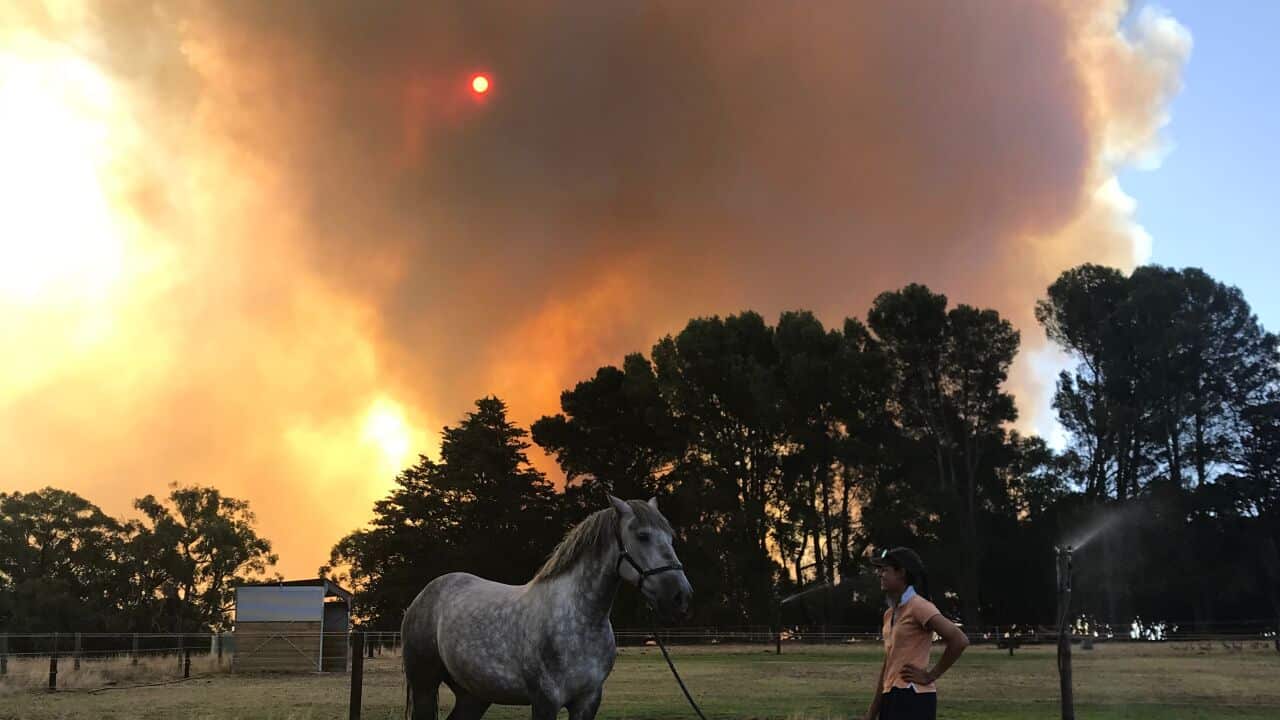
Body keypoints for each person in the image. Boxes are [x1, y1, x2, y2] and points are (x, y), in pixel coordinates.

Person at [862, 547, 969, 720]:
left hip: (912, 698)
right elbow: (889, 663)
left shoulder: (919, 606)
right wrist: (872, 712)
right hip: (892, 696)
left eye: (885, 570)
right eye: (879, 570)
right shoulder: (889, 614)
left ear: (901, 573)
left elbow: (959, 640)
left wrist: (931, 675)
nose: (880, 574)